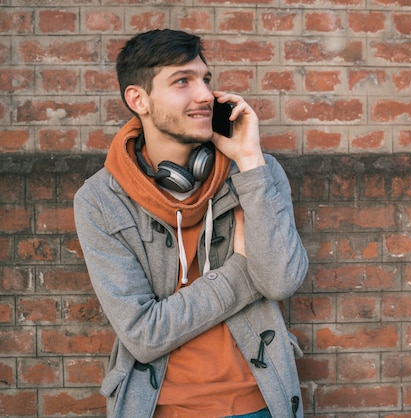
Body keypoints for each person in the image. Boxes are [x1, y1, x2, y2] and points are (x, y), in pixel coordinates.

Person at [73, 29, 309, 418]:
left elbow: (281, 280)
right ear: (138, 99)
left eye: (205, 80)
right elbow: (143, 335)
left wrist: (249, 160)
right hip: (159, 407)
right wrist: (243, 272)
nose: (204, 95)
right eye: (182, 81)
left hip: (260, 401)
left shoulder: (257, 174)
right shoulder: (101, 201)